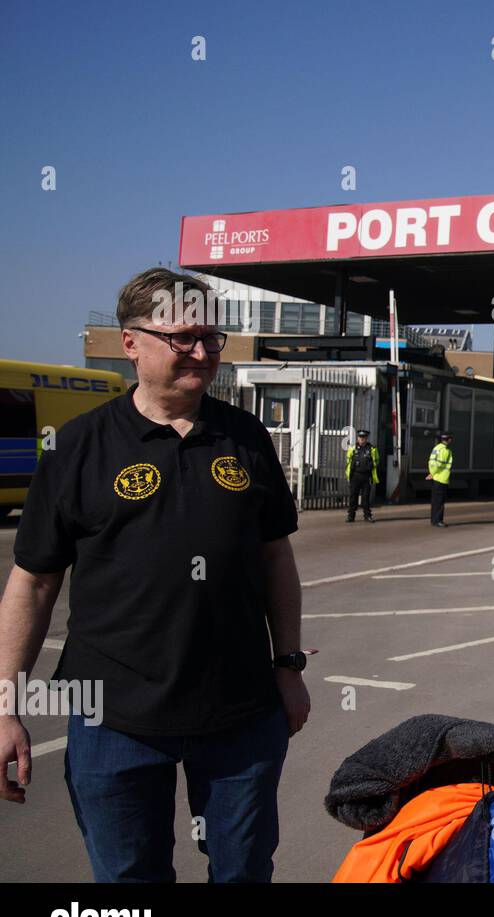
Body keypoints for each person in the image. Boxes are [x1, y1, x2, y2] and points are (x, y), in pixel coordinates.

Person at [0, 268, 311, 882]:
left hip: (240, 713)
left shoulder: (245, 438)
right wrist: (6, 705)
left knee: (244, 871)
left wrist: (289, 665)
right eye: (184, 338)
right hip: (112, 717)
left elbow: (277, 558)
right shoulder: (78, 447)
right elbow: (33, 582)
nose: (202, 353)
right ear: (131, 342)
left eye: (212, 339)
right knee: (128, 884)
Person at [345, 429, 379, 522]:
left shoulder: (372, 449)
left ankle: (367, 515)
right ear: (357, 438)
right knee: (353, 497)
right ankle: (351, 516)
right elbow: (348, 461)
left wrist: (371, 465)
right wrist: (349, 474)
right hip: (355, 476)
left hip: (366, 476)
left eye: (363, 438)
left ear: (366, 438)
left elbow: (376, 461)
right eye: (360, 437)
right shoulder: (352, 448)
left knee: (366, 497)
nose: (361, 439)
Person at [426, 432, 453, 528]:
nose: (451, 440)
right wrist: (432, 473)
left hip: (436, 478)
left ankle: (434, 520)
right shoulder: (445, 450)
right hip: (441, 479)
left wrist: (431, 473)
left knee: (435, 501)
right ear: (448, 439)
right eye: (451, 438)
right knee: (440, 502)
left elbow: (432, 462)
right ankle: (438, 521)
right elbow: (439, 464)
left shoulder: (436, 448)